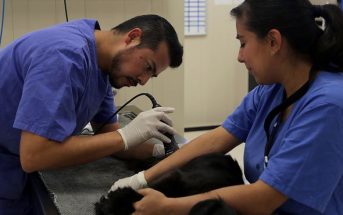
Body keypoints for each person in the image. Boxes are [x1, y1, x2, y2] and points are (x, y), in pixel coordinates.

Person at [110, 1, 343, 214]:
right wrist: (142, 179)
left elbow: (265, 198)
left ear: (273, 41)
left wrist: (169, 207)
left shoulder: (329, 104)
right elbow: (217, 138)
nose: (240, 57)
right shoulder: (270, 91)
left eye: (243, 43)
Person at [0, 15, 183, 214]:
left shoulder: (101, 66)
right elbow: (35, 155)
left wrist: (164, 150)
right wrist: (125, 136)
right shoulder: (65, 58)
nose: (144, 81)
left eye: (151, 75)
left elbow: (111, 137)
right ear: (132, 37)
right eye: (148, 67)